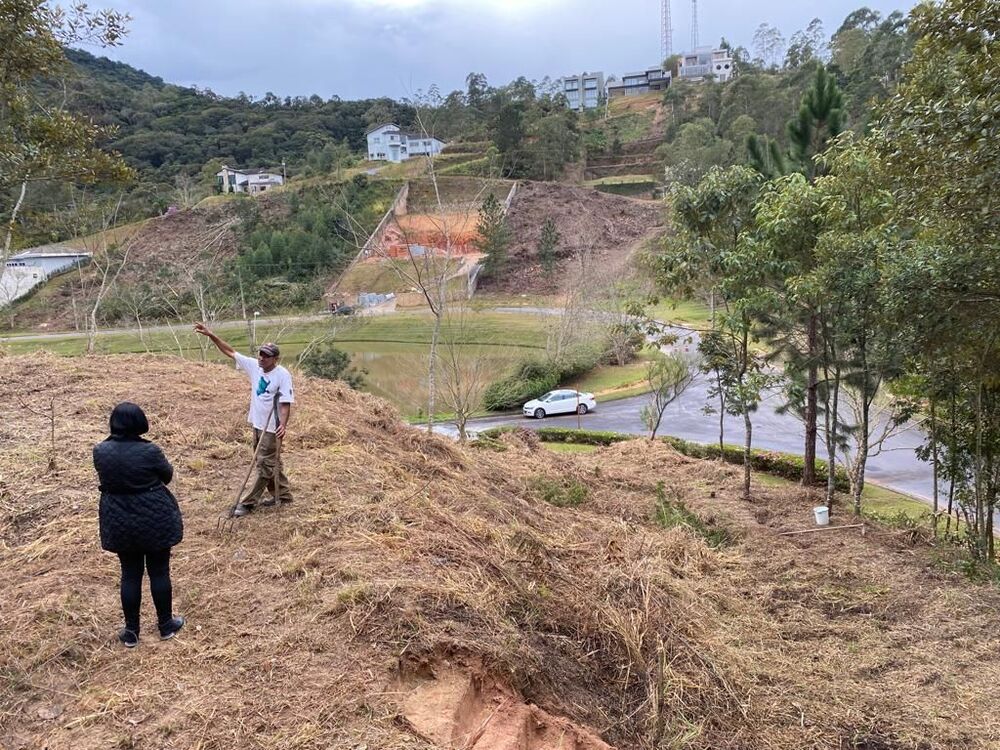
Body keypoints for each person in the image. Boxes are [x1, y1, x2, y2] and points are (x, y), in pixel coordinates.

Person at [93, 402, 185, 648]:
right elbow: (167, 475)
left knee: (130, 574)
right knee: (159, 571)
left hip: (119, 519)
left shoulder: (100, 451)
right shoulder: (150, 451)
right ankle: (166, 625)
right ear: (140, 423)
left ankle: (131, 632)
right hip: (154, 516)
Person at [193, 322, 295, 517]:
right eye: (260, 354)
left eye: (266, 356)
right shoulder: (254, 366)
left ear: (275, 359)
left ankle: (248, 503)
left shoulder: (282, 375)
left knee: (264, 466)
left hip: (271, 428)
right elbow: (230, 351)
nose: (261, 358)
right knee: (270, 462)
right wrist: (210, 335)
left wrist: (282, 425)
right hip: (257, 424)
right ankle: (283, 495)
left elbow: (285, 403)